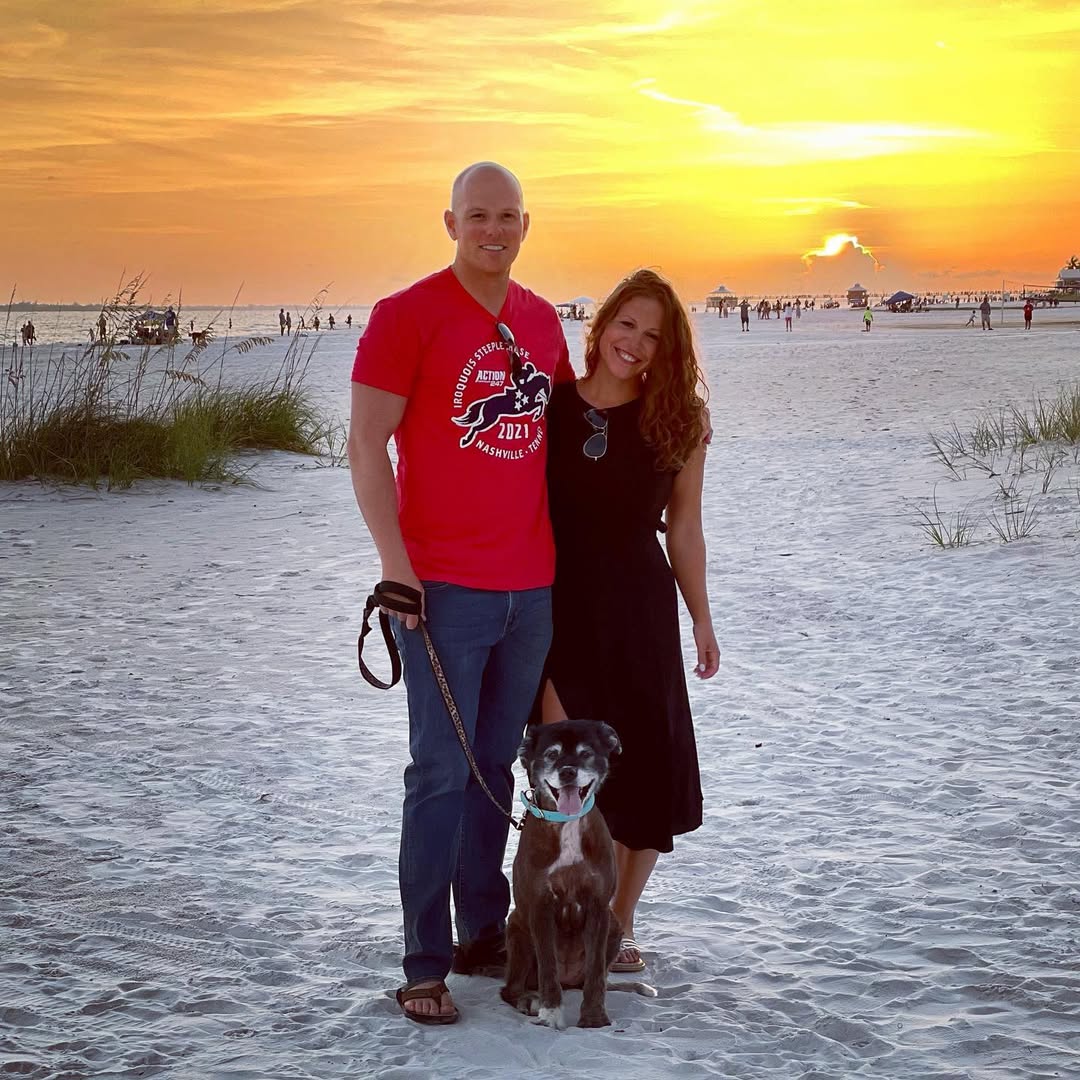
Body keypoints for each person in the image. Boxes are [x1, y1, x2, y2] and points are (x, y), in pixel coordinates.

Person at [348, 161, 574, 1024]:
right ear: (450, 223)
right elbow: (367, 448)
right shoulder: (404, 317)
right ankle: (425, 960)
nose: (494, 230)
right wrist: (395, 567)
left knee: (494, 767)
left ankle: (484, 930)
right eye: (478, 216)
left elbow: (562, 442)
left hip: (533, 588)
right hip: (442, 588)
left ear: (526, 225)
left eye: (508, 216)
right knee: (439, 773)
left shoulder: (543, 323)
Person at [538, 268, 720, 975]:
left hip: (642, 613)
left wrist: (702, 618)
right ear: (601, 323)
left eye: (652, 336)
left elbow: (685, 529)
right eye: (626, 325)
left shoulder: (678, 422)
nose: (635, 343)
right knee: (568, 779)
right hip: (559, 613)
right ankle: (567, 916)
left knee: (646, 774)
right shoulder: (549, 410)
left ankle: (618, 923)